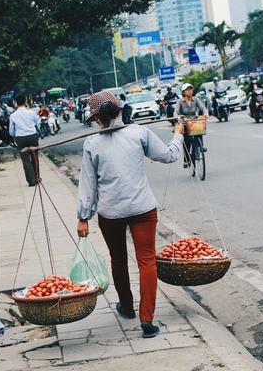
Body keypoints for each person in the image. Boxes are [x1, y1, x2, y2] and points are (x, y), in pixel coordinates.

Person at [76, 90, 185, 339]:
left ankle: (127, 307)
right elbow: (169, 155)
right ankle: (147, 317)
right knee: (147, 261)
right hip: (142, 209)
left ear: (97, 119)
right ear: (121, 111)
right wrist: (178, 136)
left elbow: (88, 185)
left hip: (110, 212)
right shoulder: (139, 133)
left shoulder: (92, 143)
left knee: (118, 260)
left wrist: (83, 216)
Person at [174, 83, 209, 168]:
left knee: (200, 128)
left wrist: (206, 113)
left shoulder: (196, 99)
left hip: (194, 121)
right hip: (185, 123)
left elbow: (202, 108)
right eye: (187, 90)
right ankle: (186, 159)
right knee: (187, 141)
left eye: (191, 89)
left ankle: (201, 146)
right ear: (183, 92)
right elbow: (176, 112)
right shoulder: (180, 101)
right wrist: (179, 117)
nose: (190, 91)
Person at [9, 95, 40, 186]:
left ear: (16, 103)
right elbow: (36, 121)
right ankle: (37, 177)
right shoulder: (31, 112)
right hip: (32, 137)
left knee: (25, 159)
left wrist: (14, 137)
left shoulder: (13, 115)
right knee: (34, 158)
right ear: (25, 101)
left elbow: (11, 131)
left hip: (21, 138)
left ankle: (31, 181)